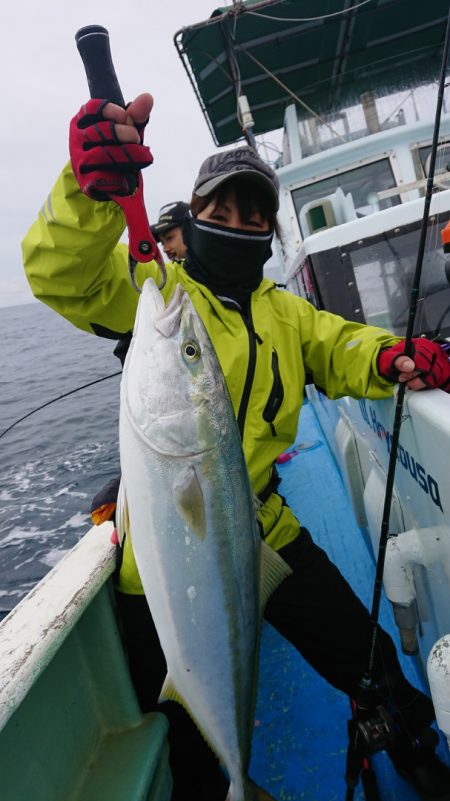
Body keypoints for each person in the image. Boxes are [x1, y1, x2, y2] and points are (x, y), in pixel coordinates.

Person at [22, 93, 450, 801]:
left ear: (270, 227)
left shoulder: (285, 311)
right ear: (193, 213)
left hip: (262, 529)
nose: (239, 222)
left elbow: (337, 342)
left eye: (255, 213)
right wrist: (86, 190)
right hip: (165, 555)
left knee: (363, 651)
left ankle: (409, 738)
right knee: (181, 733)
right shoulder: (160, 296)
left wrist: (388, 356)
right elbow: (65, 276)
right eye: (222, 208)